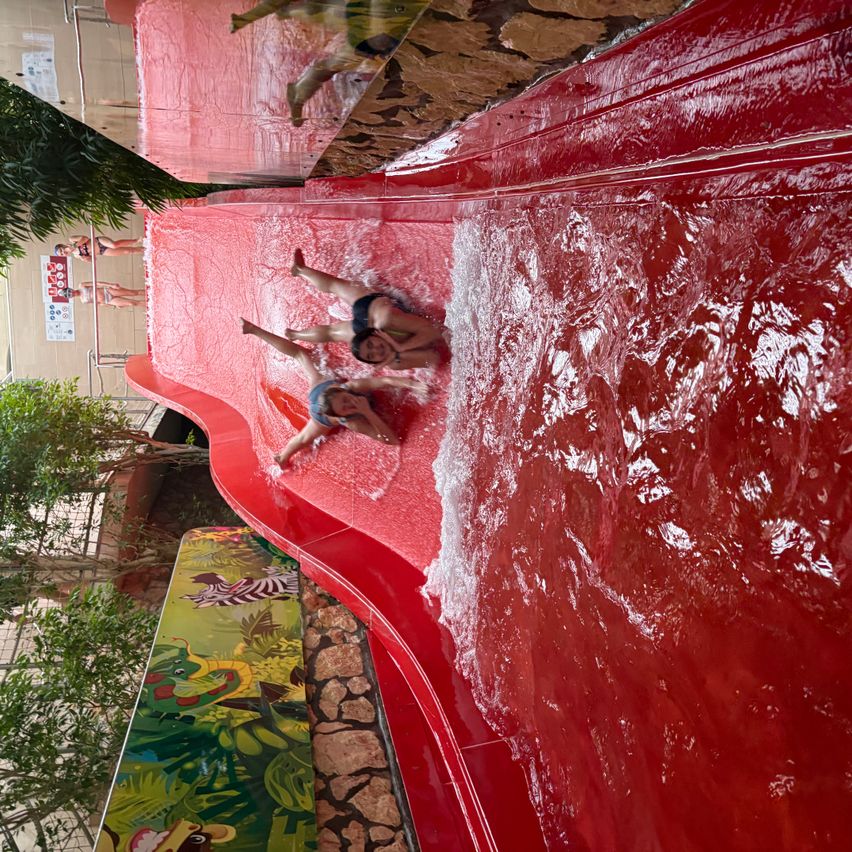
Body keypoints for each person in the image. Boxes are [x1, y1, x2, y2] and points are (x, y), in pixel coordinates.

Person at [241, 318, 426, 467]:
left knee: (301, 355)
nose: (350, 404)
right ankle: (282, 457)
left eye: (346, 400)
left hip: (321, 389)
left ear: (342, 390)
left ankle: (253, 329)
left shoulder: (351, 387)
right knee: (304, 438)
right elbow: (392, 440)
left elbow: (385, 380)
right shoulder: (351, 421)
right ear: (342, 417)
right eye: (346, 408)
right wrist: (367, 412)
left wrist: (413, 385)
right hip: (321, 411)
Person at [284, 249, 442, 369]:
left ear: (373, 335)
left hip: (374, 310)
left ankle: (301, 271)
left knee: (334, 303)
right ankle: (295, 334)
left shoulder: (388, 321)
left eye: (371, 345)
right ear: (374, 362)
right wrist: (399, 352)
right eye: (372, 355)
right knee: (332, 317)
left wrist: (402, 347)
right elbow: (434, 357)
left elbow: (433, 330)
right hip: (371, 320)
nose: (377, 350)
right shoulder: (393, 362)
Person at [60, 281, 145, 309]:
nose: (71, 293)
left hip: (107, 291)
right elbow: (99, 304)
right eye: (69, 295)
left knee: (133, 293)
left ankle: (151, 293)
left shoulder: (82, 285)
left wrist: (111, 285)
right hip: (108, 301)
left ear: (70, 289)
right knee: (132, 303)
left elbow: (97, 283)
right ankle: (151, 305)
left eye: (69, 291)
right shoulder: (83, 301)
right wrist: (113, 306)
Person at [55, 234, 143, 262]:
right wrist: (86, 259)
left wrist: (74, 246)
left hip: (98, 241)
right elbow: (94, 259)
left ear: (62, 246)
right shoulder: (76, 256)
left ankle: (136, 240)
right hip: (102, 251)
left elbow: (85, 238)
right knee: (127, 252)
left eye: (61, 251)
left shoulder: (71, 240)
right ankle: (144, 250)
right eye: (62, 254)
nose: (63, 253)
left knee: (114, 245)